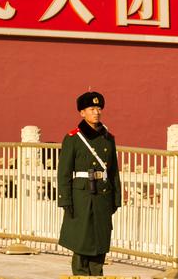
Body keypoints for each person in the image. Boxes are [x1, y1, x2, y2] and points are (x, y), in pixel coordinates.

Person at [57, 91, 121, 276]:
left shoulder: (108, 139)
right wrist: (65, 200)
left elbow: (113, 172)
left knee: (100, 241)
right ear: (82, 113)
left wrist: (116, 198)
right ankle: (80, 274)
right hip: (81, 197)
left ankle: (97, 274)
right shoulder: (73, 139)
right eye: (92, 109)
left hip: (102, 195)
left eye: (99, 108)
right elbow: (64, 173)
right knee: (81, 241)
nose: (97, 112)